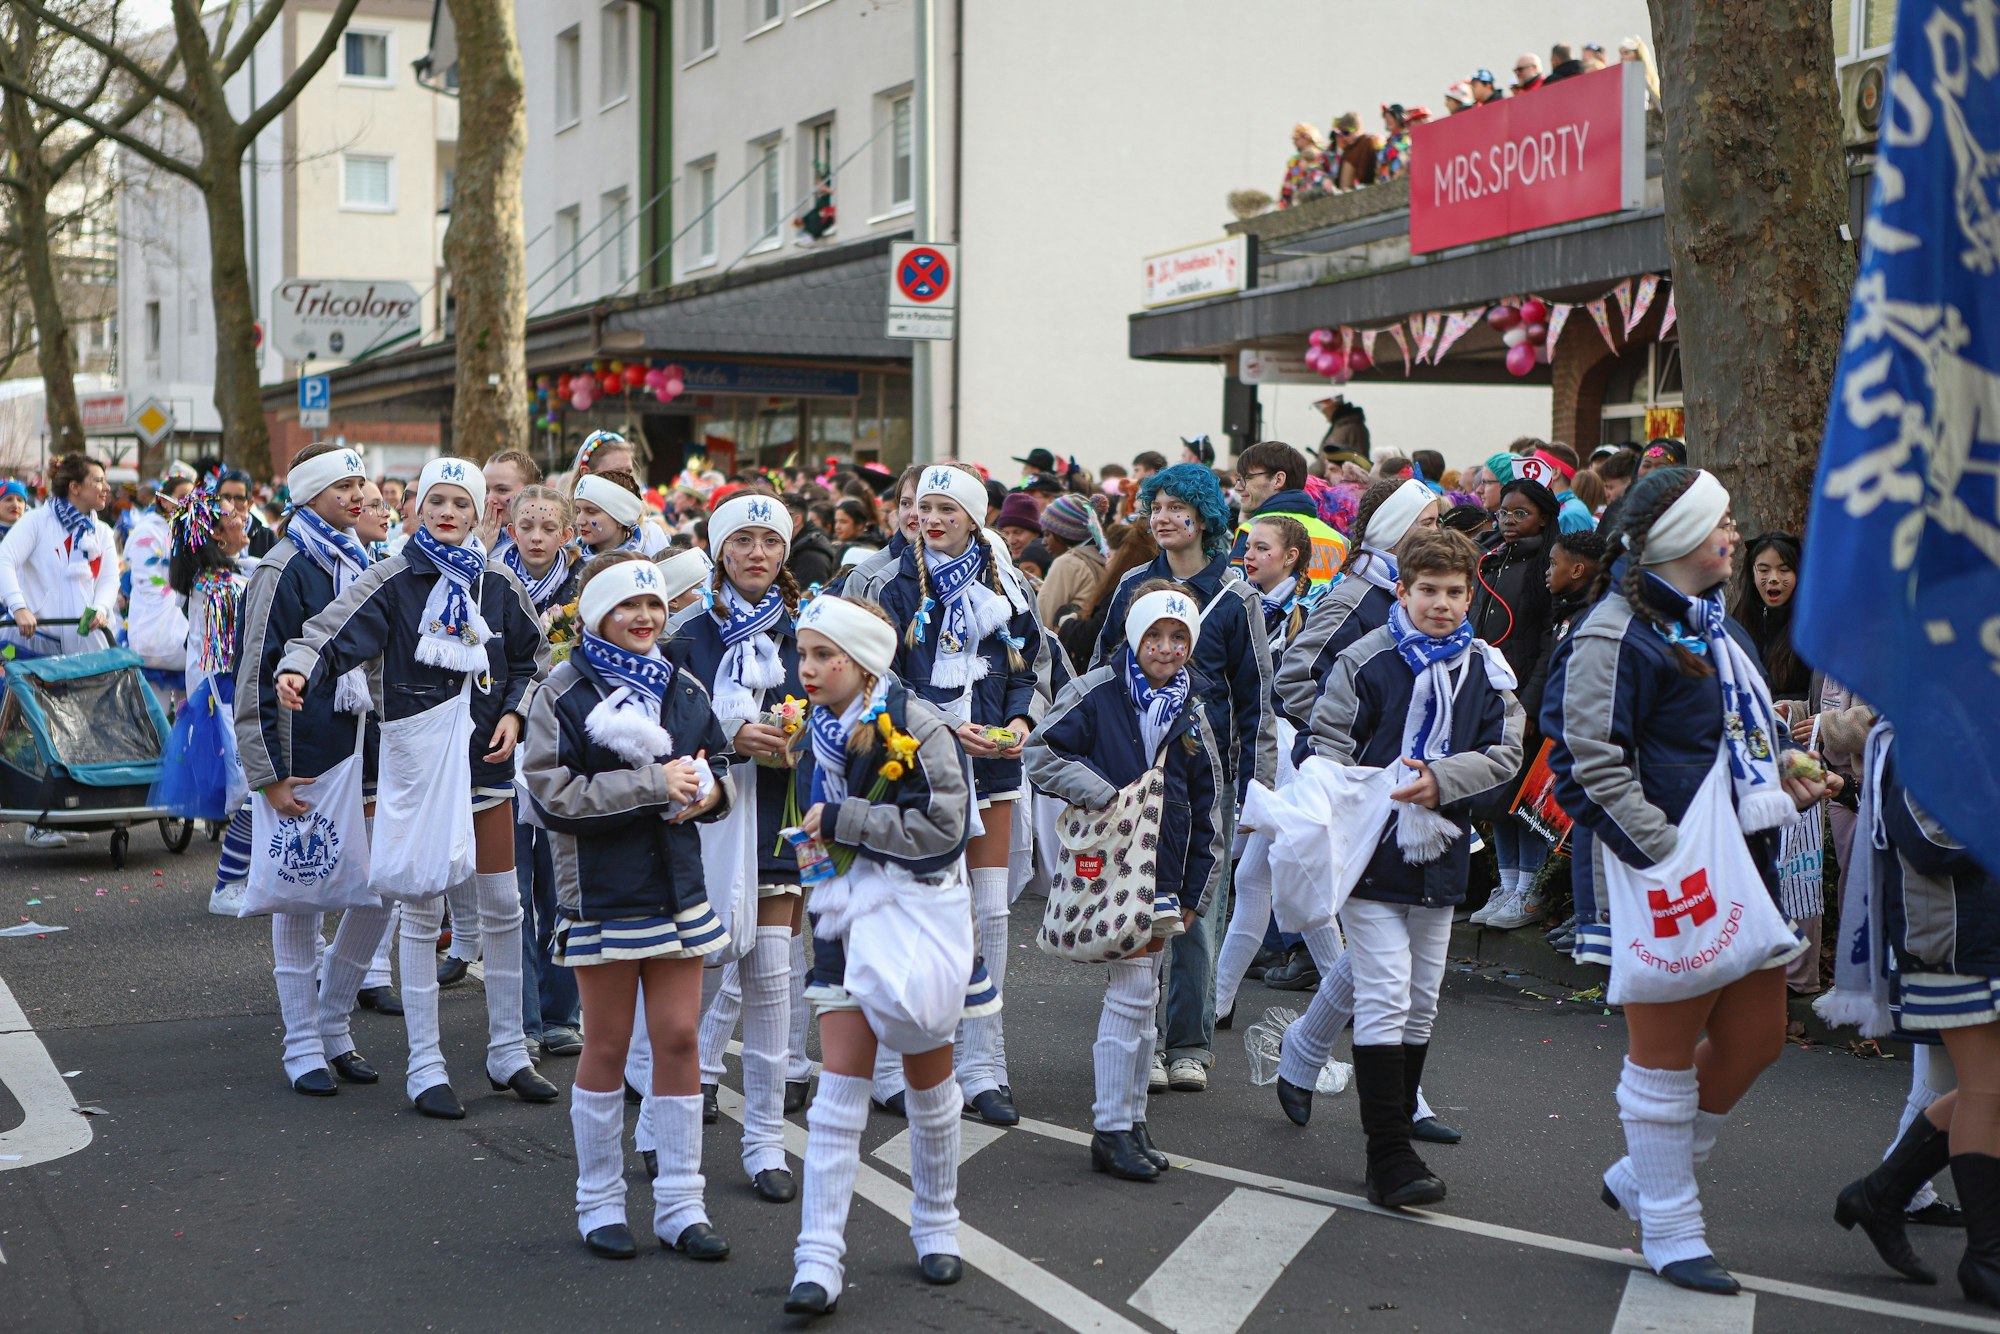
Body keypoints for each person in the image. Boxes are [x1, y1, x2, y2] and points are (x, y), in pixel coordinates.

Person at [1545, 467, 1826, 1295]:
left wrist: (1788, 769)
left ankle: (1642, 1174)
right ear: (1676, 538)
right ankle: (1669, 1225)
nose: (1736, 534)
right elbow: (1586, 767)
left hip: (1741, 863)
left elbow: (1742, 733)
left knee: (1758, 1037)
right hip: (1664, 872)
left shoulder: (1716, 625)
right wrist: (1667, 855)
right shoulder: (1611, 634)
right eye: (1722, 522)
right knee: (1662, 1056)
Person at [275, 456, 559, 1118]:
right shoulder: (392, 579)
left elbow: (533, 659)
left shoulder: (497, 582)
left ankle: (508, 1052)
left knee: (504, 906)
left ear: (481, 512)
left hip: (486, 764)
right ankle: (425, 1066)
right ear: (417, 508)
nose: (448, 513)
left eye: (461, 503)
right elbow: (328, 634)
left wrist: (516, 713)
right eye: (437, 501)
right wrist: (299, 669)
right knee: (422, 905)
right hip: (414, 762)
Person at [517, 550, 732, 1262]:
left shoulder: (683, 685)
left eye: (654, 605)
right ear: (596, 614)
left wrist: (708, 793)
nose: (644, 617)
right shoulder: (561, 691)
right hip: (600, 894)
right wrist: (652, 786)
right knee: (606, 1043)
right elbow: (551, 796)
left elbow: (717, 766)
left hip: (678, 890)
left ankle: (681, 1203)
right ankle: (600, 1201)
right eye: (627, 606)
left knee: (679, 1038)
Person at [1311, 527, 1523, 1207]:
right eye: (1427, 590)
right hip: (1370, 850)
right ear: (1401, 591)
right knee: (1384, 991)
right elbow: (1327, 745)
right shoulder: (1366, 659)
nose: (1441, 604)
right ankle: (1389, 1157)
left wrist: (1441, 780)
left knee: (1423, 997)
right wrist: (1358, 797)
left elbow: (1506, 752)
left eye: (1455, 592)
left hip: (1442, 850)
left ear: (1470, 596)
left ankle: (1389, 1131)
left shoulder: (1487, 668)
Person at [785, 595, 979, 1317]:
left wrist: (846, 819)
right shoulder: (812, 728)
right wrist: (814, 866)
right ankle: (816, 1260)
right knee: (839, 1093)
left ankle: (937, 1225)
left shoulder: (918, 725)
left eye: (823, 655)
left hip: (916, 921)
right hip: (842, 922)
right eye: (802, 654)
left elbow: (946, 830)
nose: (807, 669)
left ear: (863, 663)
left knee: (930, 1087)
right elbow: (807, 825)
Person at [845, 464, 1042, 1126]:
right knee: (914, 911)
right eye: (923, 507)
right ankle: (891, 1065)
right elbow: (875, 676)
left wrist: (1019, 722)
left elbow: (1029, 665)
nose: (929, 519)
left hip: (992, 766)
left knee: (989, 914)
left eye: (946, 509)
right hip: (915, 764)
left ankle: (985, 1065)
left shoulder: (1007, 581)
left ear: (974, 518)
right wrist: (939, 726)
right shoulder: (887, 581)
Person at [1026, 584, 1224, 1181]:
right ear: (1134, 637)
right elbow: (1041, 751)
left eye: (1179, 637)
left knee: (1145, 997)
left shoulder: (1194, 708)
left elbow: (1209, 809)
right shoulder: (1097, 691)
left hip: (1166, 873)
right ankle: (1111, 1128)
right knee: (1134, 991)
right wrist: (1107, 794)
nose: (1166, 648)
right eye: (1154, 635)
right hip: (1112, 861)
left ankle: (1131, 1123)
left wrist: (1196, 894)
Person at [1092, 463, 1274, 1092]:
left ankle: (1190, 1045)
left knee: (1195, 913)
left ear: (1204, 516)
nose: (1164, 517)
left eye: (1177, 507)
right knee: (1130, 907)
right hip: (1136, 776)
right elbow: (1103, 671)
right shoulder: (1133, 585)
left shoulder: (1235, 596)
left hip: (1206, 780)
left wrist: (1256, 788)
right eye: (1157, 506)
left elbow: (1256, 700)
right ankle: (1136, 1034)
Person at [233, 444, 396, 1091]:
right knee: (299, 899)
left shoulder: (369, 561)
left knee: (381, 890)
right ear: (307, 496)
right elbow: (254, 674)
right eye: (342, 486)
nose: (357, 496)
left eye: (360, 483)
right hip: (303, 755)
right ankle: (301, 1042)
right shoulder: (282, 567)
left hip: (369, 752)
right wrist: (268, 772)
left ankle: (334, 1022)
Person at [670, 494, 811, 1203]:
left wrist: (799, 739)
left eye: (770, 541)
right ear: (720, 550)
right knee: (691, 980)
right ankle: (671, 1134)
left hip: (781, 818)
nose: (757, 553)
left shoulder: (806, 631)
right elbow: (661, 729)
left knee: (771, 984)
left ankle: (765, 1144)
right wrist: (730, 738)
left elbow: (846, 711)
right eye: (743, 540)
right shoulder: (685, 633)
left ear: (785, 553)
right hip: (705, 821)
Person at [1830, 725, 2000, 1309]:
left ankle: (1882, 1192)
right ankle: (1985, 1259)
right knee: (1988, 1092)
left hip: (1980, 931)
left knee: (1988, 1090)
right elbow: (1926, 836)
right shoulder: (1928, 722)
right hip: (1955, 936)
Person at [503, 484, 583, 1056]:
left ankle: (560, 1013)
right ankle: (523, 1019)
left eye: (548, 527)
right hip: (505, 750)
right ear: (510, 532)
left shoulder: (583, 591)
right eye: (526, 527)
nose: (536, 537)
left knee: (562, 889)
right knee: (512, 890)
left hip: (565, 752)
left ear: (567, 535)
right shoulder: (488, 584)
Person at [151, 488, 258, 902]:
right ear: (215, 534)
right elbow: (229, 656)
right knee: (251, 793)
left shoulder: (224, 577)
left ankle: (244, 880)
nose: (242, 517)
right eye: (232, 515)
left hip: (224, 695)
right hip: (226, 698)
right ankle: (229, 884)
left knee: (254, 795)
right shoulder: (219, 587)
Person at [1468, 478, 1560, 931]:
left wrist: (1531, 703)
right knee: (1494, 795)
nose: (1508, 521)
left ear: (1543, 518)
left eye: (1520, 513)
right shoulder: (1492, 560)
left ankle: (1530, 889)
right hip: (1488, 696)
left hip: (1523, 699)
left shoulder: (1545, 567)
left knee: (1524, 797)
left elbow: (1547, 642)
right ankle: (1507, 884)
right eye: (1504, 512)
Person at [0, 453, 119, 673]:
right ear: (75, 487)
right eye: (98, 480)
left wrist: (101, 608)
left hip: (88, 645)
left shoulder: (102, 532)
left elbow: (109, 579)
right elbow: (4, 559)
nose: (107, 487)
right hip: (36, 642)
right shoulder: (36, 521)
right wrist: (18, 607)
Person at [1230, 440, 1348, 586]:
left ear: (1278, 480)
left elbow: (1236, 593)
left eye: (1246, 478)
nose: (1238, 487)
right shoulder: (1339, 541)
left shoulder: (1252, 530)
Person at [125, 470, 196, 695]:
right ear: (164, 501)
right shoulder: (147, 531)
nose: (189, 503)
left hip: (184, 634)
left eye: (193, 497)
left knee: (188, 707)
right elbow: (150, 583)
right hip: (155, 633)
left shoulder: (192, 532)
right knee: (156, 709)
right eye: (183, 496)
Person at [1035, 493, 1109, 637]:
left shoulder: (1068, 563)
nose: (1043, 542)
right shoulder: (1102, 558)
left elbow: (1043, 619)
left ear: (1065, 534)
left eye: (1048, 534)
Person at [479, 449, 543, 553]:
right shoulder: (463, 537)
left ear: (532, 492)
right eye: (485, 490)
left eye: (502, 490)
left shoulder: (551, 543)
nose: (490, 499)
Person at [785, 491, 840, 590]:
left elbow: (809, 596)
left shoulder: (811, 556)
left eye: (780, 517)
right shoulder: (797, 547)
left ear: (796, 520)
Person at [1278, 123, 1335, 208]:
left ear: (1307, 137)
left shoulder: (1326, 155)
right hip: (1300, 203)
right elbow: (1287, 186)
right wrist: (1283, 205)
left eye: (1296, 139)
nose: (1294, 142)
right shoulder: (1294, 161)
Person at [1331, 112, 1379, 190]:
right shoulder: (1348, 148)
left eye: (1346, 133)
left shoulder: (1367, 143)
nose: (1344, 137)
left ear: (1356, 129)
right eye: (1342, 133)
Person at [1621, 35, 1662, 108]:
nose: (1622, 57)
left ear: (1638, 54)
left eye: (1626, 53)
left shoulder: (1644, 76)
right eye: (1621, 54)